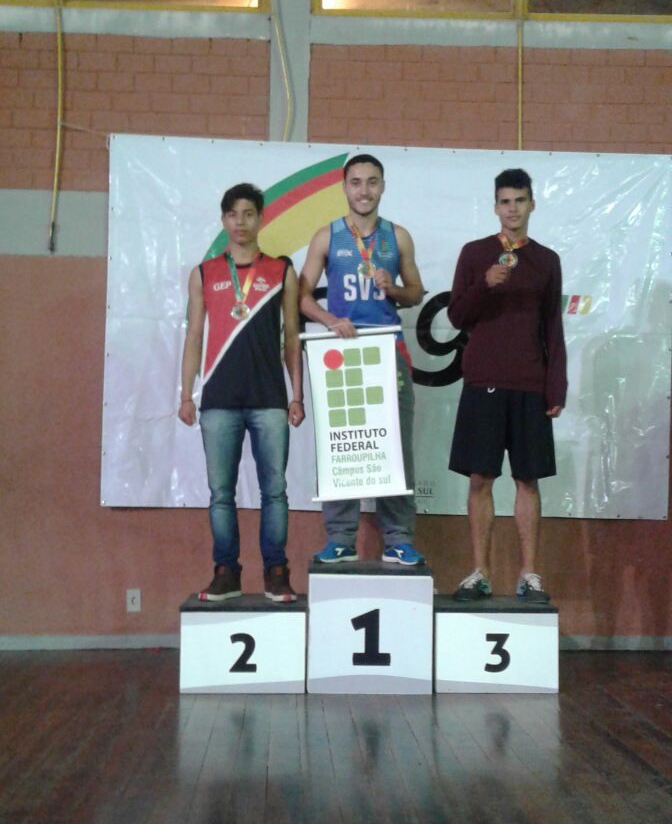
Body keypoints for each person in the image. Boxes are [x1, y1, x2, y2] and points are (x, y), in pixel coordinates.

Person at [178, 183, 304, 602]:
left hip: (270, 399)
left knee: (275, 492)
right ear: (223, 220)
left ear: (261, 218)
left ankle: (276, 572)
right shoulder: (204, 273)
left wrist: (297, 395)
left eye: (248, 213)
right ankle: (226, 572)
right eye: (233, 214)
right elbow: (194, 336)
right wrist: (186, 394)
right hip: (218, 400)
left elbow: (292, 337)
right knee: (221, 495)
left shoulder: (281, 271)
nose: (240, 222)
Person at [299, 153, 425, 566]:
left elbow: (416, 292)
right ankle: (340, 538)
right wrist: (330, 320)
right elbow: (300, 296)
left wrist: (394, 289)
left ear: (382, 186)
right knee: (342, 445)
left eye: (372, 182)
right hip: (344, 353)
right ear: (344, 187)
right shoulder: (327, 236)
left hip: (387, 350)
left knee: (396, 447)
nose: (364, 190)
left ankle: (398, 539)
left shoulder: (398, 236)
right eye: (356, 182)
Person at [447, 167, 567, 602]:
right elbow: (456, 316)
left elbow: (552, 326)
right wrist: (485, 285)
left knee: (527, 480)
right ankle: (479, 572)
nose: (512, 209)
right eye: (505, 201)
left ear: (532, 204)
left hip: (530, 384)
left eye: (519, 201)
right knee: (480, 479)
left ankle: (529, 574)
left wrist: (556, 386)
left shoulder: (547, 260)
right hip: (483, 381)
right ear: (495, 207)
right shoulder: (475, 253)